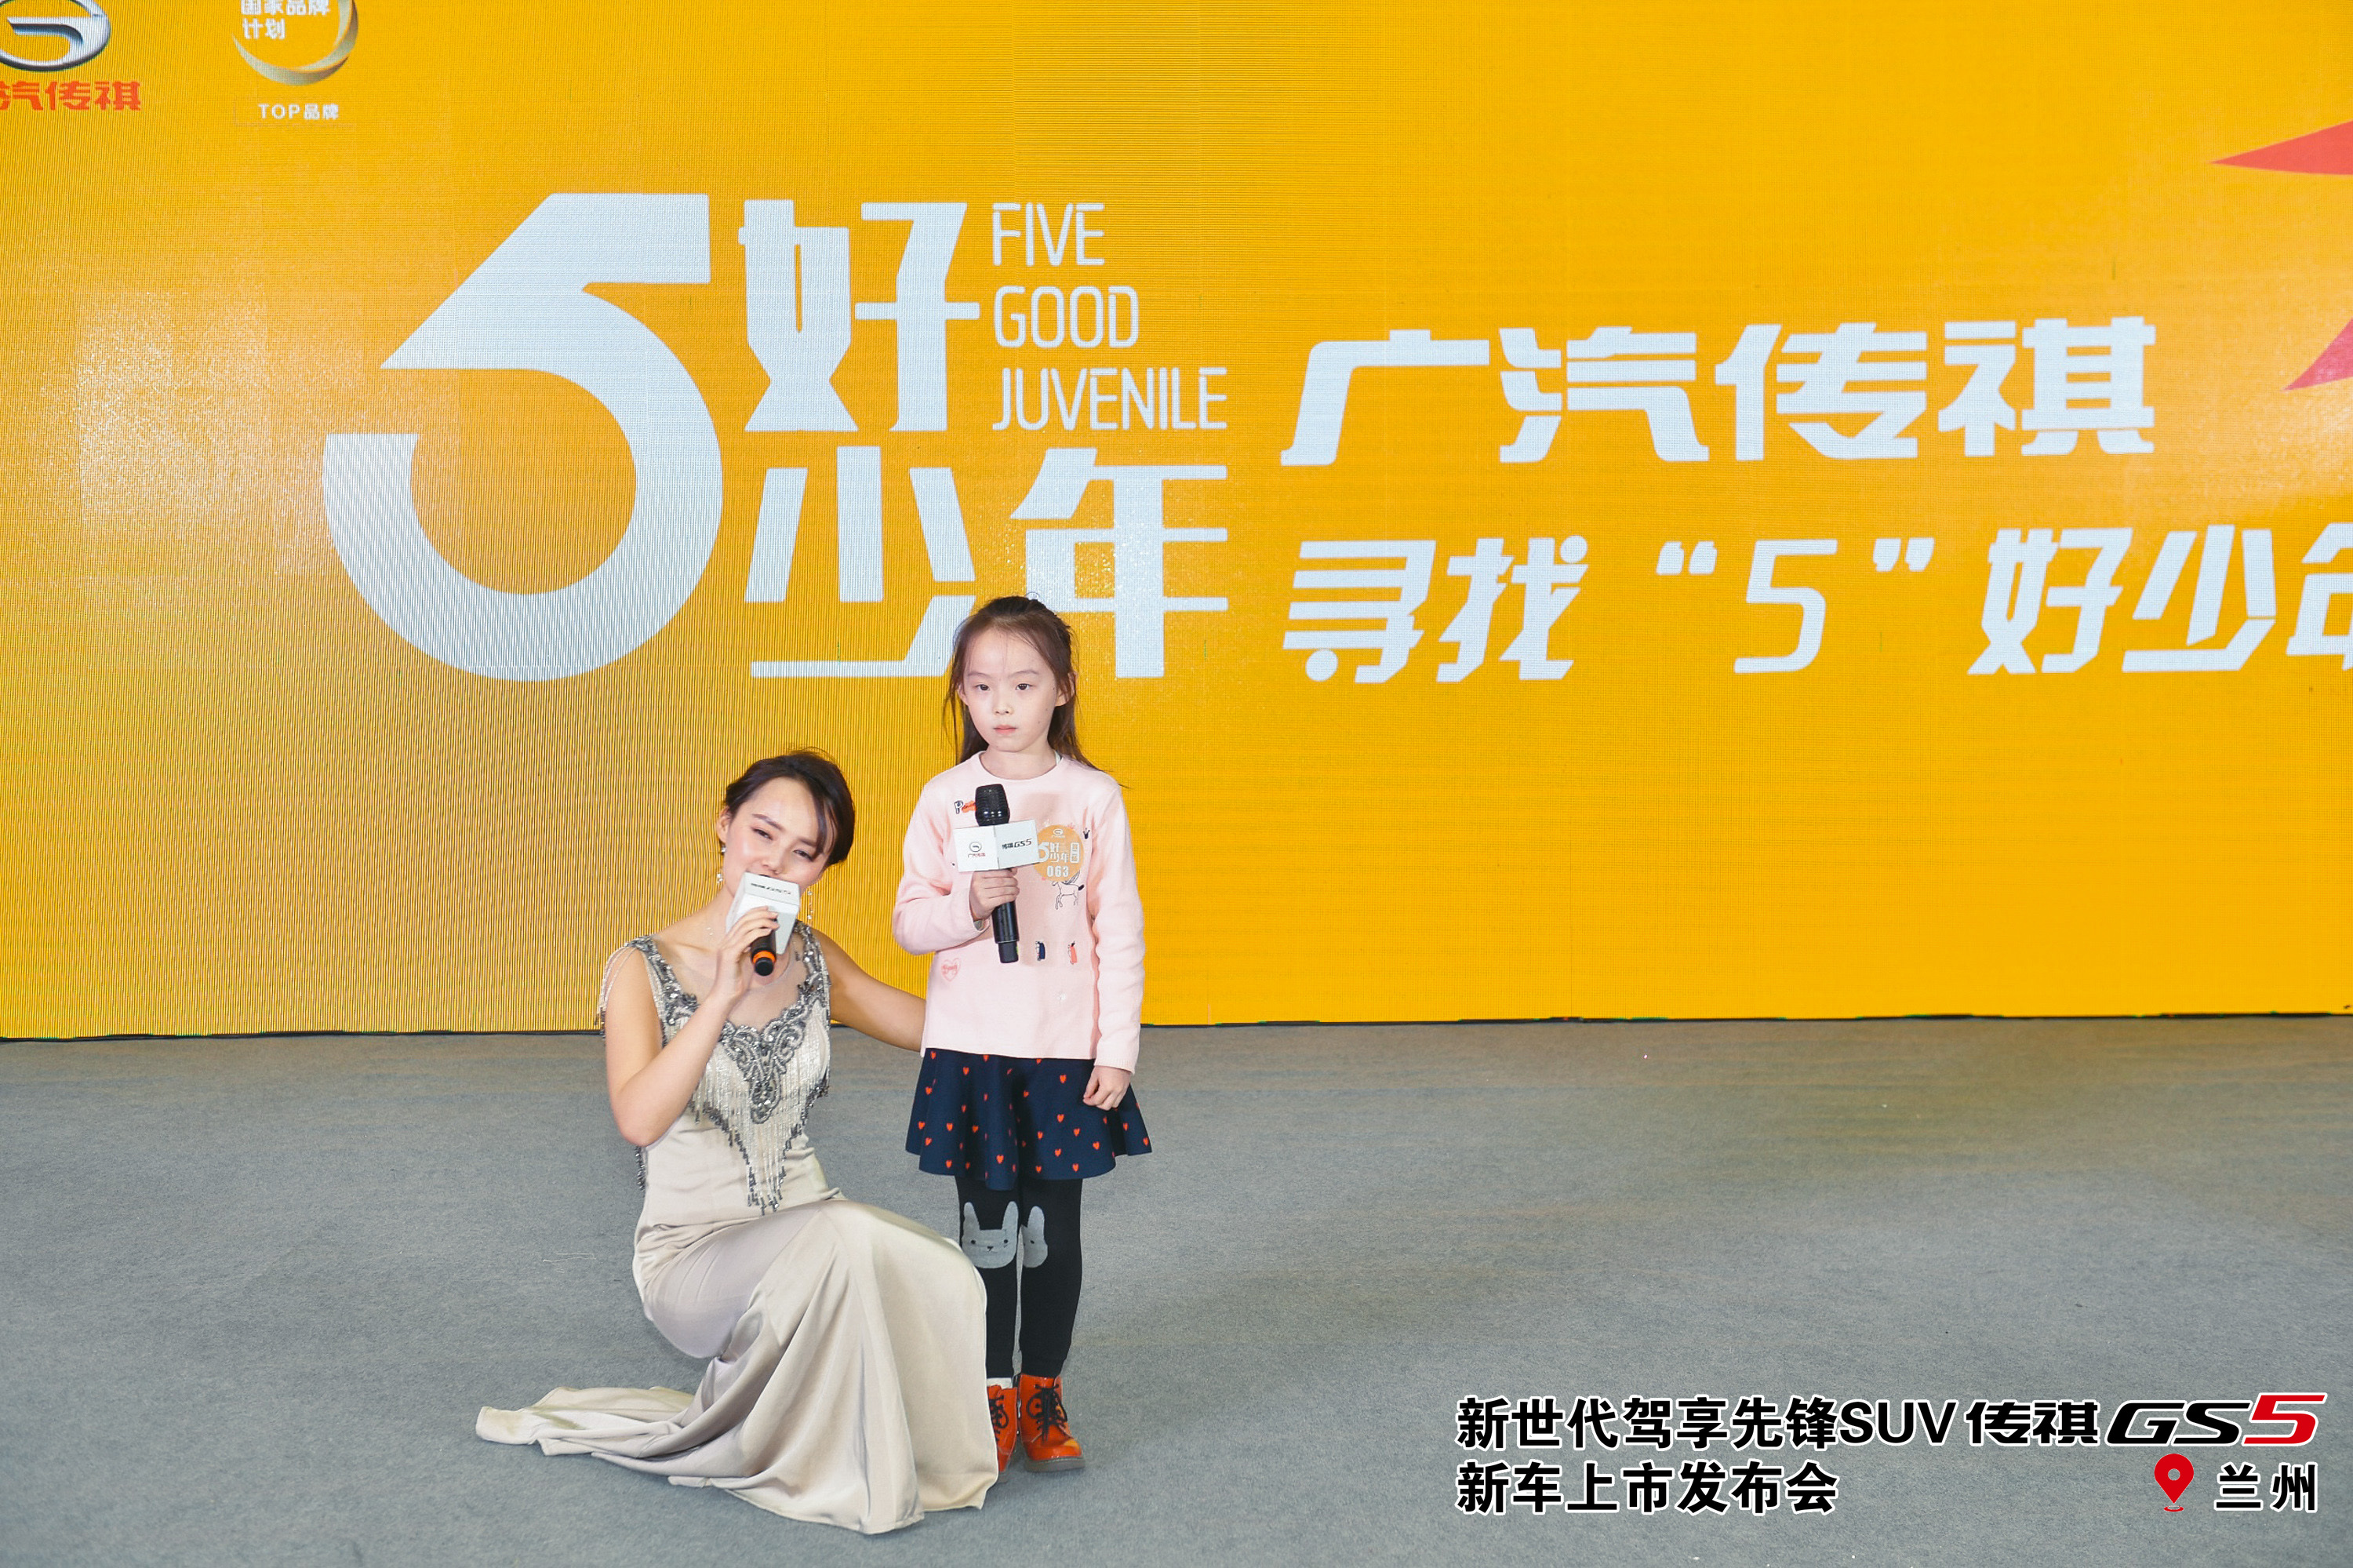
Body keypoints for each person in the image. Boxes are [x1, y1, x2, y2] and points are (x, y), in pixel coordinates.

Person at [477, 751, 997, 1534]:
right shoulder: (642, 967)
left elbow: (936, 1029)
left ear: (820, 870)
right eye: (762, 832)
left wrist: (1009, 965)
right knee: (846, 1235)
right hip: (694, 1259)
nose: (775, 861)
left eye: (804, 851)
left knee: (946, 1271)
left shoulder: (812, 958)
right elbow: (638, 1119)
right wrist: (721, 994)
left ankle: (899, 1444)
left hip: (812, 1225)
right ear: (723, 826)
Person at [893, 597, 1151, 1475]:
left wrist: (1117, 1048)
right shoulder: (947, 798)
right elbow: (909, 920)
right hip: (973, 1052)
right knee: (986, 1231)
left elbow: (1120, 927)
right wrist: (968, 906)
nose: (1000, 704)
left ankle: (1043, 1388)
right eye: (980, 686)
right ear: (961, 693)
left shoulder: (1092, 796)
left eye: (1024, 684)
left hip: (1063, 1052)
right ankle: (991, 1394)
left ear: (1063, 689)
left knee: (1052, 1234)